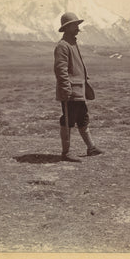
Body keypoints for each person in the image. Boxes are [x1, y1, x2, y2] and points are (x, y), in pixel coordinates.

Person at [54, 12, 103, 161]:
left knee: (83, 118)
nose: (78, 27)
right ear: (68, 27)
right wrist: (66, 89)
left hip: (79, 90)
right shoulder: (63, 46)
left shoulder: (72, 43)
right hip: (71, 91)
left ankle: (91, 148)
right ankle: (66, 153)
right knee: (68, 120)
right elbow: (60, 70)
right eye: (75, 25)